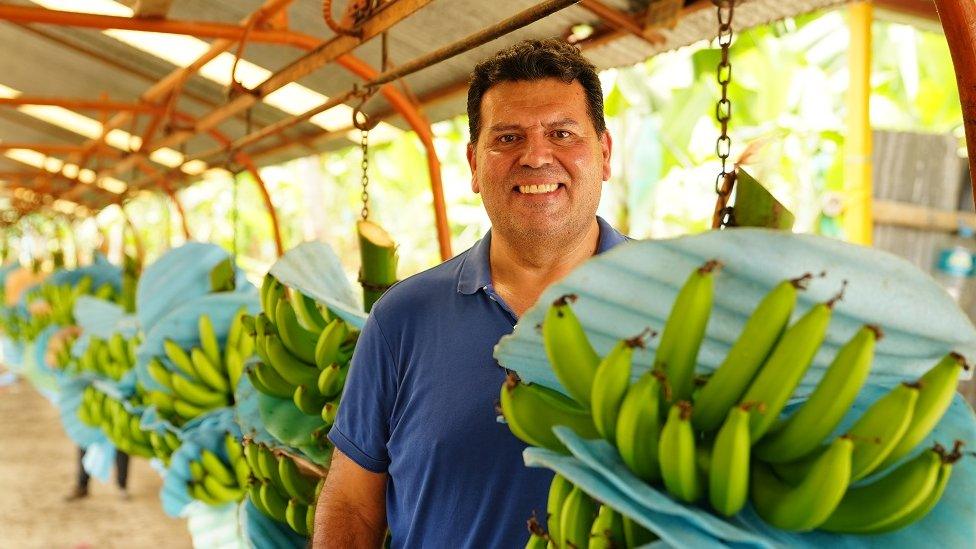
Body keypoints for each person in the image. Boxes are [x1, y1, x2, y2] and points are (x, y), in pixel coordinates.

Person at [314, 38, 628, 548]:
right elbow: (351, 501)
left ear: (604, 153)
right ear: (473, 164)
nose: (536, 156)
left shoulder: (676, 304)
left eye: (562, 133)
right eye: (507, 138)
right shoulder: (402, 319)